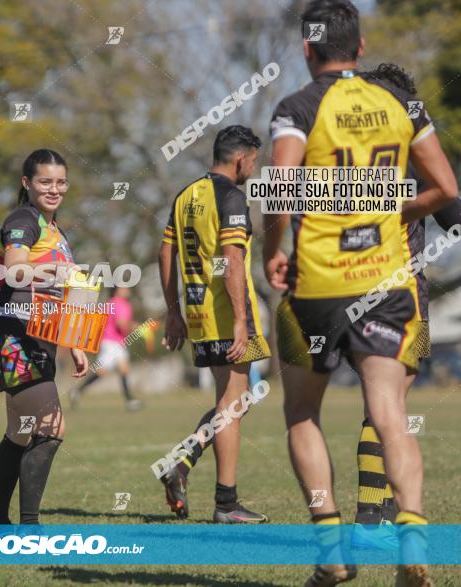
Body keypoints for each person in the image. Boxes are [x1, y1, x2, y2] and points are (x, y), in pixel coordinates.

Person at [263, 2, 458, 584]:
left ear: (307, 50)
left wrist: (275, 249)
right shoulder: (404, 105)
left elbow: (279, 193)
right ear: (362, 46)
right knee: (392, 414)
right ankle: (413, 539)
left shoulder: (297, 107)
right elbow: (446, 190)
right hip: (394, 285)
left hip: (316, 286)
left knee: (301, 412)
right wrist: (398, 205)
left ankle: (332, 548)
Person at [350, 63, 461, 550]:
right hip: (400, 286)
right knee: (389, 401)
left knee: (381, 399)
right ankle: (371, 517)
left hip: (344, 282)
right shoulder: (406, 139)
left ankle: (380, 510)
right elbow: (454, 215)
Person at [158, 125, 271, 524]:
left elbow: (165, 250)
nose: (254, 169)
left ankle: (182, 463)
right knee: (235, 403)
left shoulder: (186, 194)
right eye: (254, 161)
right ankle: (226, 503)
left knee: (235, 400)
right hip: (227, 315)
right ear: (240, 159)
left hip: (197, 315)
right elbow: (233, 260)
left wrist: (174, 310)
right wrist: (242, 321)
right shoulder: (231, 197)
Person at [0, 148, 88, 525]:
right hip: (11, 336)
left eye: (60, 182)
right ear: (27, 183)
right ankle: (30, 528)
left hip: (37, 339)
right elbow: (15, 270)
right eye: (45, 181)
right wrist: (55, 276)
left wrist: (74, 341)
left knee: (21, 431)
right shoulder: (23, 218)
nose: (54, 188)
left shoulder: (55, 230)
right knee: (51, 427)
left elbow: (65, 292)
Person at [69, 286, 143, 411]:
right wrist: (136, 326)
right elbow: (121, 323)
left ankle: (129, 400)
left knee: (123, 369)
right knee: (102, 371)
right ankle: (77, 391)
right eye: (124, 287)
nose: (127, 290)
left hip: (113, 342)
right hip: (112, 343)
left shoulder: (111, 303)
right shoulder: (120, 303)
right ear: (118, 290)